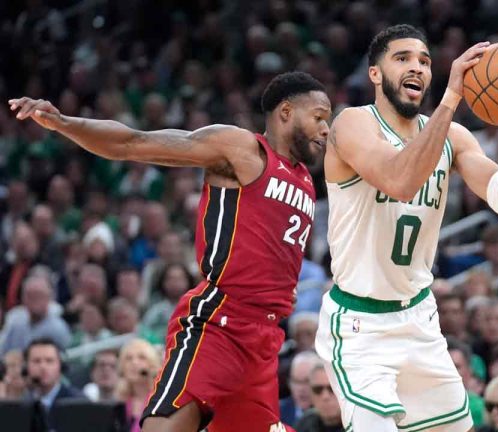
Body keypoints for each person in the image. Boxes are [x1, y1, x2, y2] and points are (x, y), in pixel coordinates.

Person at [10, 70, 332, 432]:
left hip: (265, 341)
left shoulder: (306, 180)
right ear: (286, 112)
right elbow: (133, 142)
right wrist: (65, 122)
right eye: (319, 117)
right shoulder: (241, 150)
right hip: (221, 323)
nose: (325, 129)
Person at [316, 24, 498, 432]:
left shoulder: (453, 137)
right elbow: (400, 182)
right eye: (402, 58)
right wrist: (452, 98)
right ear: (374, 73)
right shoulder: (352, 124)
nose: (417, 68)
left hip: (419, 320)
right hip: (359, 327)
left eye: (424, 61)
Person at [24, 338, 87, 427]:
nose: (43, 367)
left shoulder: (78, 403)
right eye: (36, 361)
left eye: (49, 361)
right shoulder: (23, 403)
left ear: (60, 366)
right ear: (26, 367)